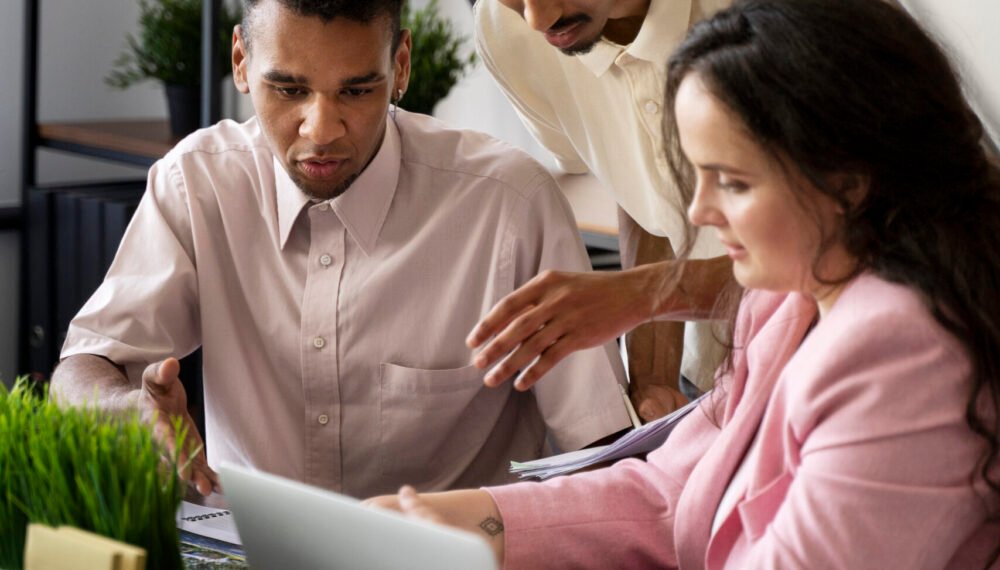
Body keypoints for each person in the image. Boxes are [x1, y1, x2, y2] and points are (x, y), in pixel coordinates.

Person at [369, 0, 1000, 566]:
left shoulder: (897, 353)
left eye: (732, 181)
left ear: (848, 179)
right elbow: (675, 491)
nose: (695, 213)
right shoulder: (783, 303)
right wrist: (465, 521)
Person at [49, 0, 631, 499]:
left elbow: (601, 451)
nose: (321, 130)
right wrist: (121, 409)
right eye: (289, 89)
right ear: (241, 63)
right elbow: (85, 366)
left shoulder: (510, 205)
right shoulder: (195, 184)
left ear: (400, 65)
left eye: (356, 90)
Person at [471, 0, 735, 421]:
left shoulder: (781, 16)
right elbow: (643, 180)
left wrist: (642, 296)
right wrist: (653, 379)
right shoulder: (508, 30)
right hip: (710, 381)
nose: (537, 19)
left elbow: (849, 257)